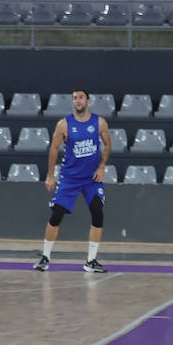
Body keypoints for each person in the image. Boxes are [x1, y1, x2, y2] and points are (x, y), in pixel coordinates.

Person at [34, 89, 111, 273]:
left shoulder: (99, 122)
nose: (77, 101)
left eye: (81, 97)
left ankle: (91, 261)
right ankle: (45, 257)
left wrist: (102, 167)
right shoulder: (64, 124)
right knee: (56, 215)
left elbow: (107, 145)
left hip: (91, 179)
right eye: (74, 98)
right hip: (70, 178)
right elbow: (53, 149)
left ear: (88, 101)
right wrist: (50, 175)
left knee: (97, 214)